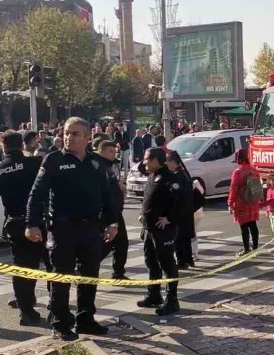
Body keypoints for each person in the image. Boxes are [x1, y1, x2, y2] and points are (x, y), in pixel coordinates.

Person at [26, 117, 118, 340]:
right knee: (61, 277)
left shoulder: (96, 162)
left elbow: (108, 195)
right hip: (63, 229)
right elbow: (36, 194)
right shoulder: (54, 160)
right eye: (67, 133)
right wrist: (31, 224)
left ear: (88, 138)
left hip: (91, 229)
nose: (69, 137)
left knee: (89, 276)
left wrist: (112, 222)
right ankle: (61, 323)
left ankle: (86, 319)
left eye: (75, 134)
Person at [0, 131, 47, 325]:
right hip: (40, 222)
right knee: (51, 264)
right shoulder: (35, 164)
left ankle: (26, 310)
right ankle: (56, 306)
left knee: (22, 267)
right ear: (23, 145)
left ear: (4, 147)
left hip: (15, 223)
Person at [136, 147, 183, 316]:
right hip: (149, 229)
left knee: (168, 264)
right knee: (151, 262)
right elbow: (149, 198)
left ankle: (172, 300)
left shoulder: (169, 178)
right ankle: (154, 295)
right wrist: (143, 214)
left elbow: (182, 202)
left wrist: (169, 218)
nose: (144, 162)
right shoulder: (152, 176)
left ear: (156, 160)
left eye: (147, 159)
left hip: (163, 231)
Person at [96, 140, 130, 280]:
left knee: (121, 243)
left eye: (114, 151)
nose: (113, 154)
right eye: (110, 151)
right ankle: (84, 267)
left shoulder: (109, 166)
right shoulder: (98, 166)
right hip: (106, 213)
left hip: (115, 211)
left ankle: (118, 272)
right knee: (107, 243)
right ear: (101, 151)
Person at [228, 147, 262, 254]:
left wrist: (230, 203)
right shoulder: (254, 170)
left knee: (244, 226)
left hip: (241, 202)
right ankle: (255, 247)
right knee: (253, 225)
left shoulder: (238, 172)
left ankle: (246, 248)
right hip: (253, 201)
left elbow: (233, 189)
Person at [166, 150, 196, 268]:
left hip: (181, 211)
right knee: (186, 237)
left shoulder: (177, 175)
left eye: (167, 162)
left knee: (179, 237)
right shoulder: (184, 173)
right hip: (187, 209)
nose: (166, 165)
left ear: (174, 162)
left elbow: (176, 192)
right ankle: (189, 259)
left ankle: (181, 261)